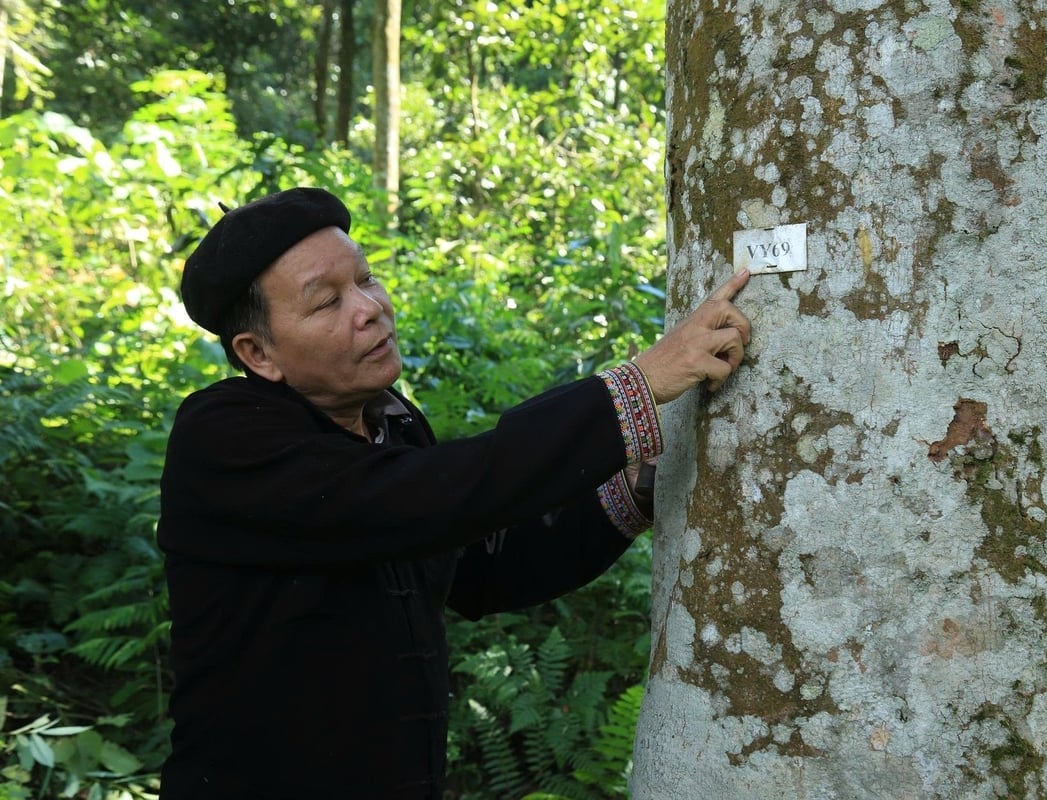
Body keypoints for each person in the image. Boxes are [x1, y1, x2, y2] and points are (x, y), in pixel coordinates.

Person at [156, 187, 751, 799]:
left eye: (366, 279)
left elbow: (486, 570)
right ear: (258, 354)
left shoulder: (391, 425)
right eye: (326, 302)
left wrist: (639, 485)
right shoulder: (223, 437)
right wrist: (637, 386)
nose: (369, 309)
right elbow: (434, 497)